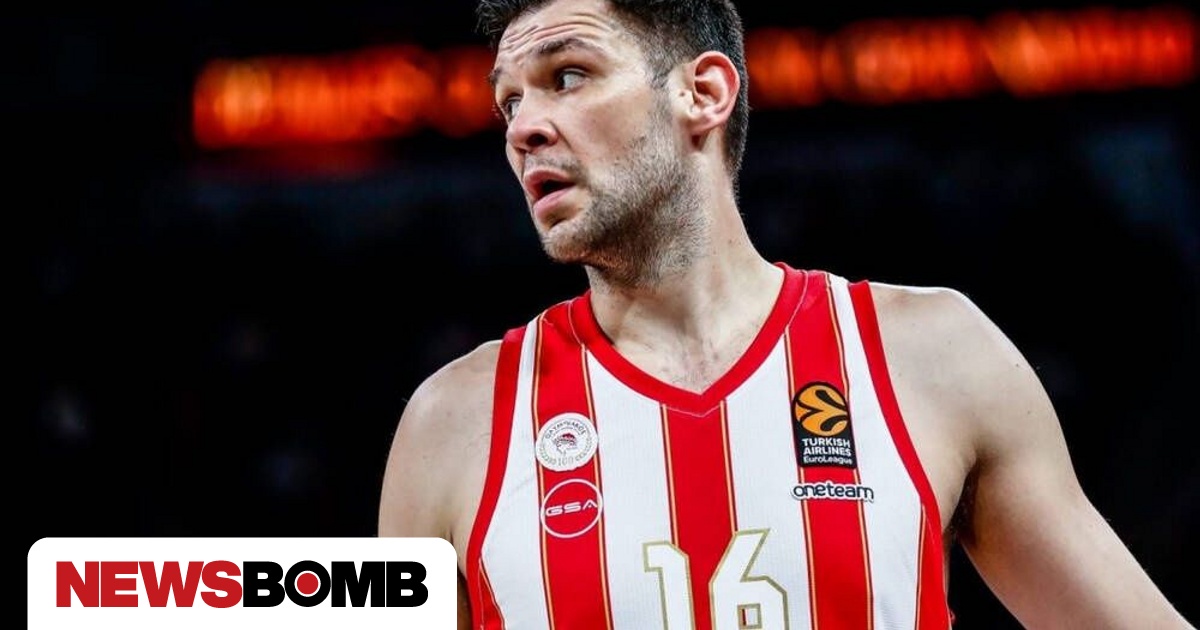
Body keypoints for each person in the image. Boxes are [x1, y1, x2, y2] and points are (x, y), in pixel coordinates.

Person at [377, 0, 1195, 628]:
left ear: (703, 93)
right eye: (508, 102)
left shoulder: (933, 357)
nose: (524, 127)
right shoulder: (451, 421)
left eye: (567, 77)